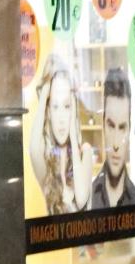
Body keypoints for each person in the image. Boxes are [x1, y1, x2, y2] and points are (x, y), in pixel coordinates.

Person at [28, 62, 94, 215]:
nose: (61, 119)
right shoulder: (47, 166)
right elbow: (33, 148)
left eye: (67, 106)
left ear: (74, 109)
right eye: (55, 106)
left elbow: (81, 199)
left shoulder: (85, 152)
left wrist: (73, 133)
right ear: (48, 112)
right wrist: (45, 92)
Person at [89, 67, 135, 212]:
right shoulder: (88, 201)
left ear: (130, 129)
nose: (115, 144)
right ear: (103, 125)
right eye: (111, 125)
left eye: (122, 128)